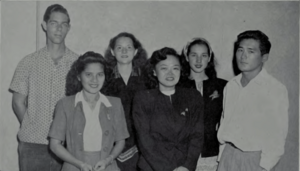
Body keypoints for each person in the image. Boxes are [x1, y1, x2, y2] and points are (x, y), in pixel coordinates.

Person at [9, 4, 78, 171]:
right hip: (33, 145)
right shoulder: (28, 62)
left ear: (68, 28)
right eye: (54, 23)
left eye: (63, 24)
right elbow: (18, 102)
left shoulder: (78, 63)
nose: (58, 28)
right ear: (44, 25)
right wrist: (32, 127)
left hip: (67, 145)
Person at [217, 30, 289, 171]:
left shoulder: (275, 89)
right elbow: (224, 122)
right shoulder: (231, 86)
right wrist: (221, 159)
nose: (243, 56)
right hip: (228, 155)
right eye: (240, 50)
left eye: (251, 51)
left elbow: (277, 136)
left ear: (264, 57)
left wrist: (264, 167)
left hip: (255, 161)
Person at [48, 51, 129, 171]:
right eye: (88, 74)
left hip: (107, 167)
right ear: (79, 76)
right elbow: (54, 145)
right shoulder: (64, 104)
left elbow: (120, 141)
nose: (94, 80)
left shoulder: (115, 104)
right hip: (74, 167)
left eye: (100, 74)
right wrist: (79, 164)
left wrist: (108, 160)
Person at [133, 47, 204, 171]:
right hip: (152, 167)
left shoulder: (193, 96)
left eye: (175, 68)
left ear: (181, 70)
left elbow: (197, 135)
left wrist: (187, 166)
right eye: (164, 68)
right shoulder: (143, 98)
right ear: (154, 71)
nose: (170, 73)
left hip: (184, 167)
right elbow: (145, 141)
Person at [178, 38, 227, 171]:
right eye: (194, 55)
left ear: (209, 58)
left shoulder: (223, 86)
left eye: (203, 55)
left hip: (212, 154)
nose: (198, 61)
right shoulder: (177, 86)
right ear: (187, 57)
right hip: (182, 154)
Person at [101, 32, 148, 171]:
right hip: (111, 146)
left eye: (129, 47)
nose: (124, 51)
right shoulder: (104, 79)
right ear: (112, 52)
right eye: (119, 47)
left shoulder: (147, 78)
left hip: (141, 146)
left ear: (136, 51)